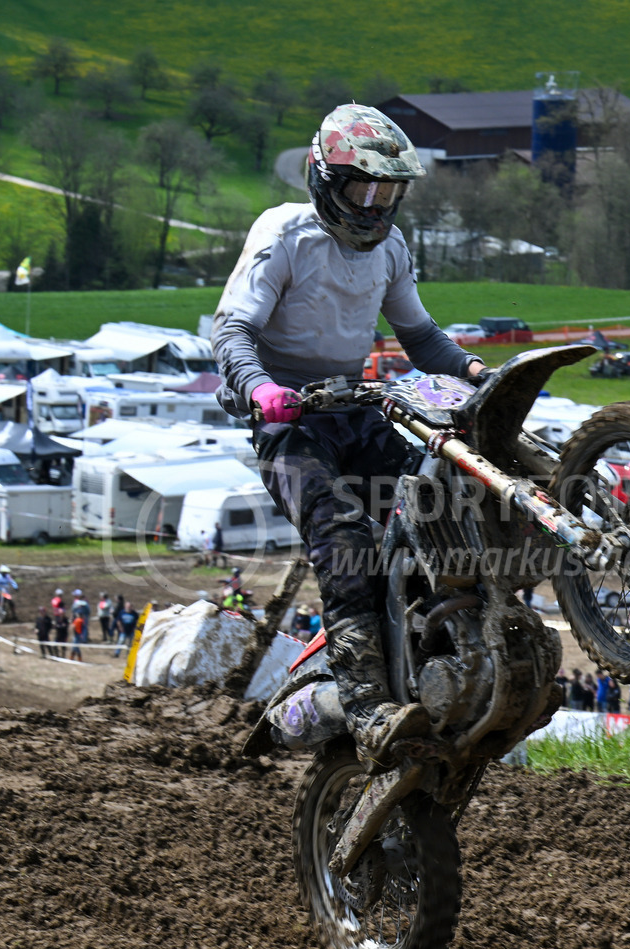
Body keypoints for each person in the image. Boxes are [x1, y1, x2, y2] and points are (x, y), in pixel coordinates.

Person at [212, 104, 485, 770]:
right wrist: (260, 389)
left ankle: (448, 666)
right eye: (361, 188)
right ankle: (365, 703)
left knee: (442, 509)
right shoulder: (284, 234)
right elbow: (231, 331)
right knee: (344, 539)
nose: (372, 205)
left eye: (386, 192)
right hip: (289, 422)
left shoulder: (389, 248)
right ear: (323, 178)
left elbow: (418, 336)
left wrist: (478, 372)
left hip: (355, 406)